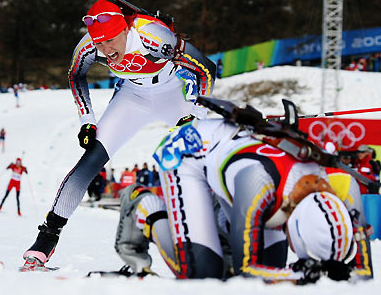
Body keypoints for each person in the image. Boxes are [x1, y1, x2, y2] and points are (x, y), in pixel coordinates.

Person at [21, 0, 216, 270]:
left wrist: (195, 113)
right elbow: (76, 75)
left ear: (125, 29)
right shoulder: (88, 44)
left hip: (174, 95)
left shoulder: (153, 36)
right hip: (133, 97)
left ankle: (218, 235)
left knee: (198, 159)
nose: (106, 50)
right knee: (91, 159)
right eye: (100, 43)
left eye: (111, 40)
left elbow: (206, 69)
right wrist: (87, 120)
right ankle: (46, 239)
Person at [112, 115, 373, 282]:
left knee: (272, 266)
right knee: (203, 275)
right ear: (293, 224)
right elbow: (248, 270)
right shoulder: (258, 183)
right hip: (190, 155)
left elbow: (363, 271)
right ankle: (145, 205)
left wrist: (337, 270)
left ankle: (215, 229)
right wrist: (300, 272)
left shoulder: (343, 186)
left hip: (235, 164)